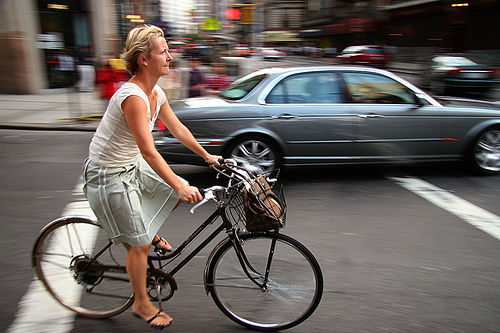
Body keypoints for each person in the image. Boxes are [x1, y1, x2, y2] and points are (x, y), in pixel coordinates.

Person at [83, 25, 221, 329]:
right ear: (144, 60)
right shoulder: (132, 96)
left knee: (172, 195)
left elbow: (178, 129)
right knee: (140, 244)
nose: (170, 57)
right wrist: (179, 182)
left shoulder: (155, 92)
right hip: (108, 175)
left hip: (130, 165)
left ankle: (145, 231)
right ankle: (142, 305)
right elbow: (149, 152)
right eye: (163, 51)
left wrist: (206, 156)